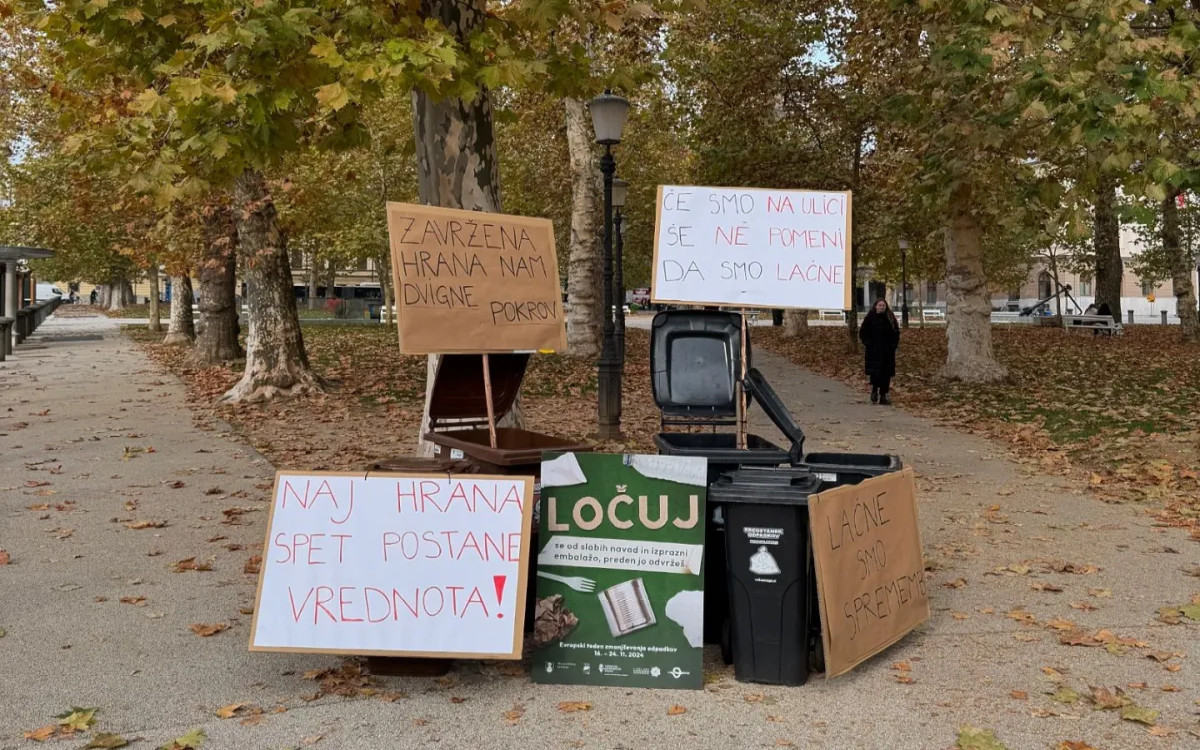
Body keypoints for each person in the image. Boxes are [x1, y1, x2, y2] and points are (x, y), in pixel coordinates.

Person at [859, 298, 901, 405]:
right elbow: (863, 332)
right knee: (875, 373)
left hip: (887, 351)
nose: (881, 307)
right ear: (875, 306)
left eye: (883, 305)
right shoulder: (870, 318)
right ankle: (874, 390)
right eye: (879, 305)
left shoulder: (890, 318)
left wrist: (893, 345)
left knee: (886, 374)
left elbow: (896, 332)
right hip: (874, 350)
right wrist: (868, 343)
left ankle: (883, 395)